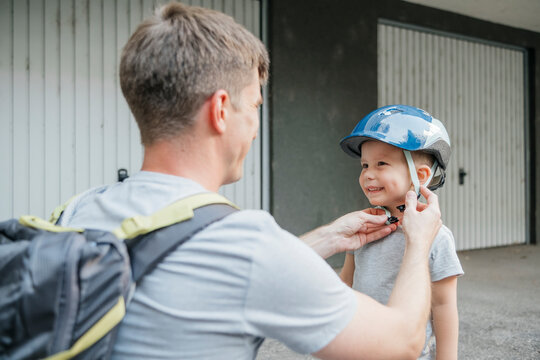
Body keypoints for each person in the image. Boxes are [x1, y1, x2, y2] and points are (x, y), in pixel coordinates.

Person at [57, 3, 443, 359]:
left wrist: (329, 237)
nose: (256, 128)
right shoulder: (248, 245)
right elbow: (402, 343)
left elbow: (226, 274)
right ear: (221, 110)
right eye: (256, 105)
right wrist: (419, 241)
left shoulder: (79, 209)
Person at [339, 104, 465, 360]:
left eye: (381, 164)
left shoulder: (437, 238)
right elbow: (346, 285)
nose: (368, 175)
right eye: (364, 165)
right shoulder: (364, 228)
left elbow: (443, 305)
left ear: (420, 175)